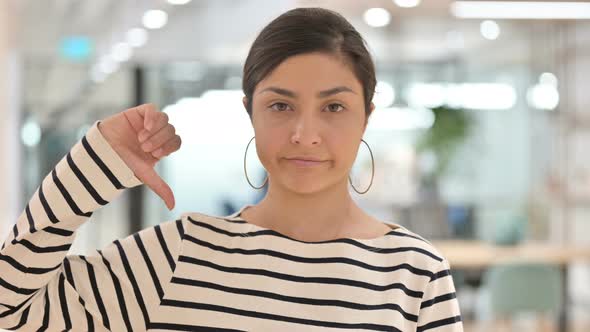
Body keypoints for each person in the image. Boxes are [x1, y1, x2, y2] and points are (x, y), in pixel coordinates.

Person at [0, 7, 463, 331]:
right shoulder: (179, 257)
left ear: (366, 115)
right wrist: (94, 161)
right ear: (250, 112)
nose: (306, 133)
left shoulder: (415, 271)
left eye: (334, 107)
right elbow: (10, 313)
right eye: (281, 105)